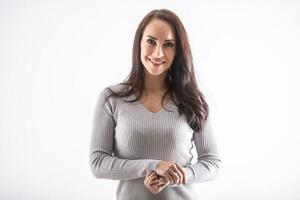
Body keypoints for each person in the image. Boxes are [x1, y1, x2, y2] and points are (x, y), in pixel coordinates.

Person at [89, 8, 221, 200]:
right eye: (151, 41)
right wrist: (154, 166)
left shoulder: (193, 100)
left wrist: (180, 175)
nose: (158, 53)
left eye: (168, 44)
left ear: (177, 51)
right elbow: (98, 163)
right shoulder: (111, 98)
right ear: (139, 43)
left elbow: (212, 162)